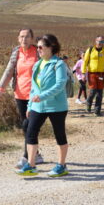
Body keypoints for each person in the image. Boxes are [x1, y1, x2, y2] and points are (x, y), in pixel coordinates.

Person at [16, 34, 70, 177]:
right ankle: (31, 165)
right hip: (37, 106)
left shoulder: (59, 64)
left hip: (56, 107)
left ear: (51, 47)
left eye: (41, 47)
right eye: (37, 47)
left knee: (60, 135)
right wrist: (29, 106)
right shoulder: (38, 64)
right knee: (30, 133)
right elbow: (33, 88)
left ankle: (61, 166)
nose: (38, 49)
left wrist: (42, 96)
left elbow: (60, 85)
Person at [0, 28, 42, 169]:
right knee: (25, 125)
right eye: (22, 37)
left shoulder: (38, 52)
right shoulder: (16, 52)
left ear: (32, 38)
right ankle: (37, 154)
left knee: (29, 125)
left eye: (27, 36)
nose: (24, 39)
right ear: (18, 38)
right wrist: (0, 88)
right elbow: (9, 71)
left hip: (35, 96)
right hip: (19, 94)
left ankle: (26, 157)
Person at [82, 35, 104, 116]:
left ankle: (97, 111)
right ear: (95, 41)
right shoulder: (90, 50)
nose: (100, 43)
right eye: (99, 41)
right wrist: (83, 73)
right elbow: (85, 62)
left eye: (102, 41)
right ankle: (88, 103)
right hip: (91, 73)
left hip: (101, 74)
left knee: (99, 93)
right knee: (93, 91)